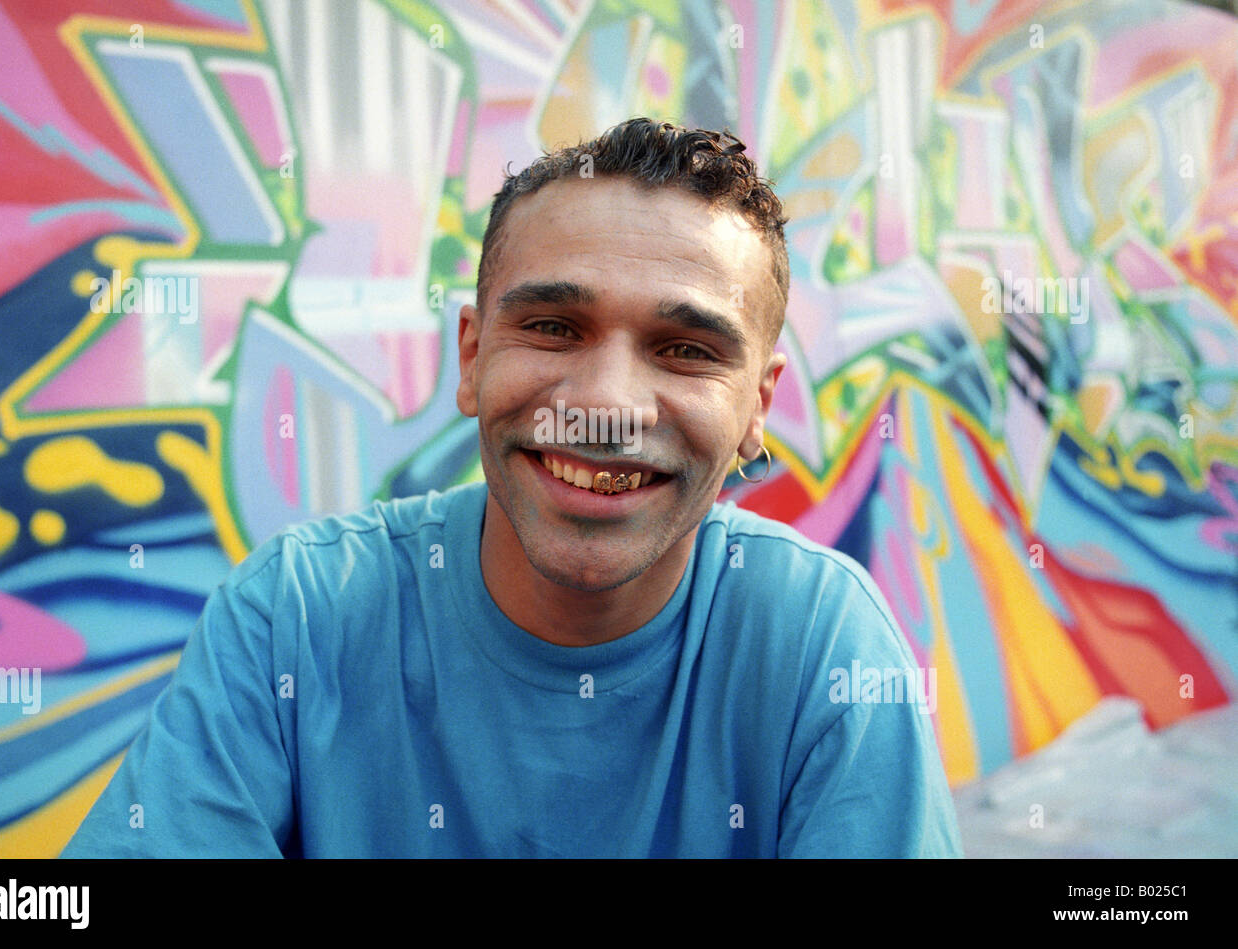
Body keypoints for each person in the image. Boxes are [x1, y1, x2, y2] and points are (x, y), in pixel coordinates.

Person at [62, 118, 962, 858]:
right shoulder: (295, 617)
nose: (607, 405)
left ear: (756, 407)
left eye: (686, 348)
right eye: (554, 326)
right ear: (471, 355)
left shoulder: (819, 644)